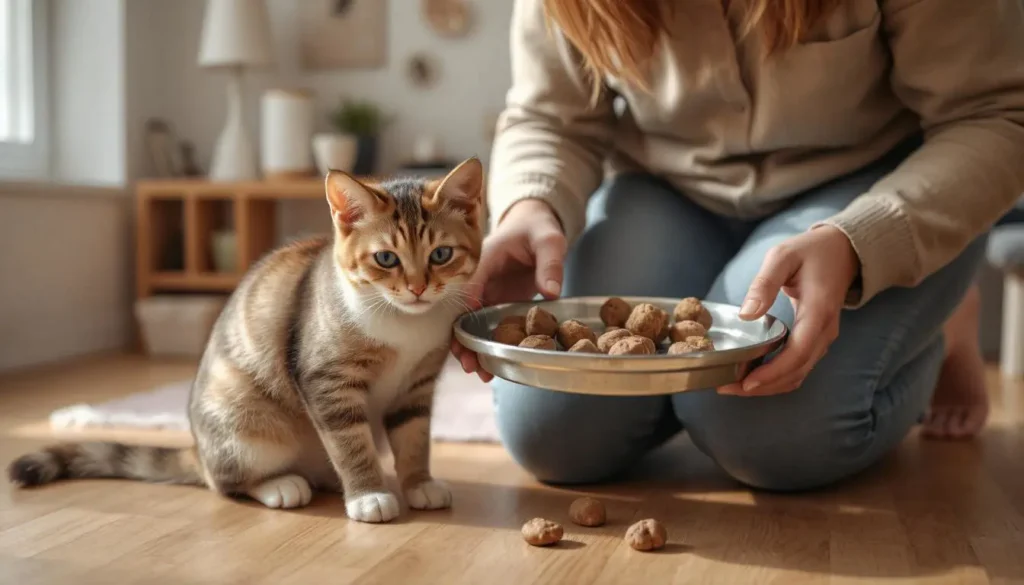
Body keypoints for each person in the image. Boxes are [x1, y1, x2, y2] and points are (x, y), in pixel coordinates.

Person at [452, 0, 1024, 491]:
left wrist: (864, 243)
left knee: (766, 436)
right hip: (669, 193)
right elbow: (551, 116)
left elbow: (999, 116)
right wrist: (531, 206)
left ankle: (938, 322)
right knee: (552, 435)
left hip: (863, 191)